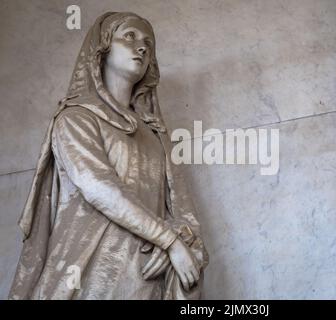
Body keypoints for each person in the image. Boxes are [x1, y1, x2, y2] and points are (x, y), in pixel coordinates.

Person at [9, 12, 208, 300]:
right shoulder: (76, 118)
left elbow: (179, 210)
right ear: (101, 50)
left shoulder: (155, 136)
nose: (142, 47)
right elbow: (100, 187)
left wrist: (179, 238)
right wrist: (170, 241)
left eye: (148, 43)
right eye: (129, 36)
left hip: (143, 277)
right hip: (86, 271)